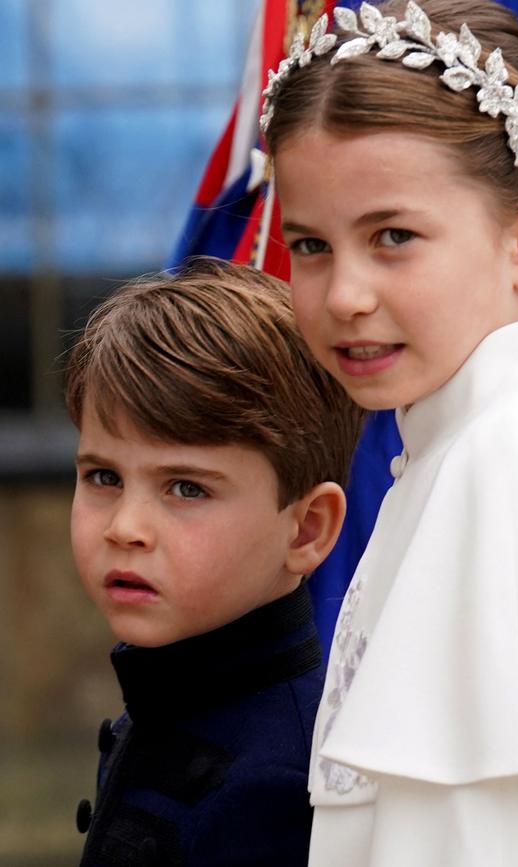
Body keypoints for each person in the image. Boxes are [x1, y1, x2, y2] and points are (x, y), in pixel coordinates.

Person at [260, 1, 518, 864]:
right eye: (310, 246)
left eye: (392, 237)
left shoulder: (512, 465)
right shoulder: (464, 448)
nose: (344, 294)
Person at [65, 257, 365, 866]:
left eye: (186, 488)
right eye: (103, 476)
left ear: (307, 528)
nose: (125, 528)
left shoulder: (280, 788)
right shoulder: (163, 701)